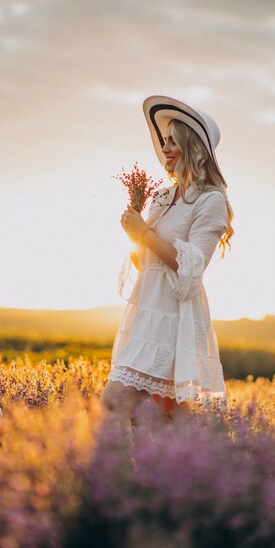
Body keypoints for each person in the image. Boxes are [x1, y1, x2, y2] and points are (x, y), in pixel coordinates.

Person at [101, 95, 234, 428]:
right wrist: (136, 234)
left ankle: (109, 478)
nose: (166, 148)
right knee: (161, 423)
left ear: (193, 146)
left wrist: (144, 233)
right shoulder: (162, 195)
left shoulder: (211, 200)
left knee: (115, 403)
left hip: (175, 319)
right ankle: (158, 479)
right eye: (165, 142)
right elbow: (147, 262)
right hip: (146, 312)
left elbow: (192, 268)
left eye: (174, 141)